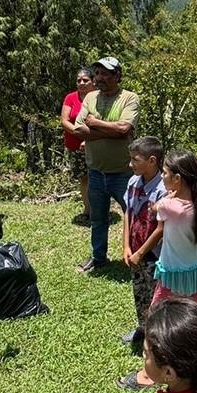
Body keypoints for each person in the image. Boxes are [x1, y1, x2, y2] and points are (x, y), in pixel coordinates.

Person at [120, 151, 197, 391]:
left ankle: (150, 374)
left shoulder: (171, 206)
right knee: (186, 319)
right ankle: (190, 361)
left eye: (165, 173)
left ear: (178, 179)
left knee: (156, 320)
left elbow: (154, 209)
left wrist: (167, 199)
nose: (162, 176)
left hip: (174, 275)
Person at [72, 57, 141, 273]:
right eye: (98, 73)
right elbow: (78, 129)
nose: (100, 78)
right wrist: (110, 131)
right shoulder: (91, 97)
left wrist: (94, 124)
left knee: (133, 216)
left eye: (106, 74)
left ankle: (138, 256)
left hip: (124, 172)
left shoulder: (129, 98)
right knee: (98, 217)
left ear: (117, 76)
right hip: (96, 171)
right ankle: (98, 257)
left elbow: (124, 130)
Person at [121, 137, 167, 351]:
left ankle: (158, 334)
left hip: (154, 254)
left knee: (155, 296)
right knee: (139, 292)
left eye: (135, 160)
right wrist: (126, 247)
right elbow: (128, 212)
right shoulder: (132, 182)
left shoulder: (163, 189)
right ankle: (143, 327)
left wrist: (141, 251)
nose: (130, 164)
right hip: (135, 252)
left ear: (152, 161)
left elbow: (162, 228)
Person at [60, 67, 95, 224]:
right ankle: (87, 210)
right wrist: (79, 133)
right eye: (79, 80)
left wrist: (88, 138)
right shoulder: (70, 98)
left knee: (97, 177)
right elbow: (65, 120)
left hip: (95, 144)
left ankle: (99, 209)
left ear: (93, 82)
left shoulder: (98, 98)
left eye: (85, 80)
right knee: (84, 178)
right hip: (75, 146)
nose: (81, 83)